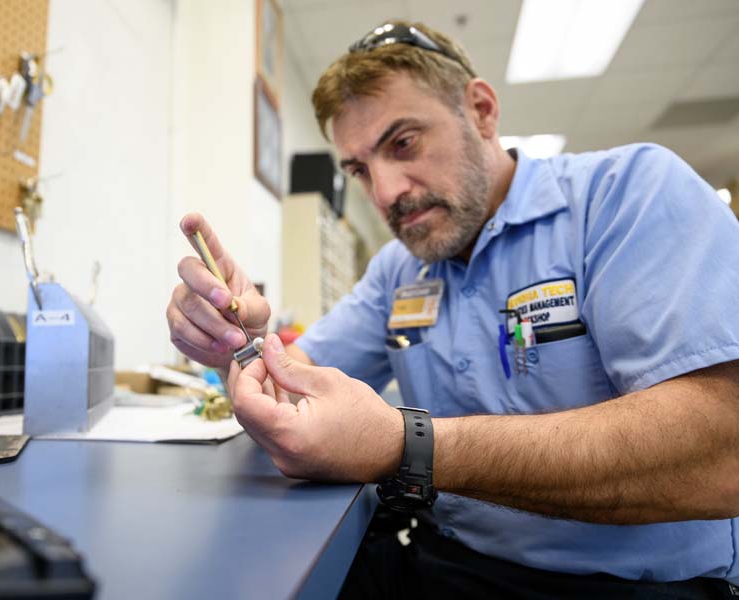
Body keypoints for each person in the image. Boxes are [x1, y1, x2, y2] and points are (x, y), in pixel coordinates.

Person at [166, 19, 739, 598]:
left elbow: (721, 450)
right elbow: (290, 399)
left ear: (482, 111)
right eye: (360, 170)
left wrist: (406, 444)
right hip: (449, 563)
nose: (386, 193)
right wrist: (238, 341)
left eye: (404, 144)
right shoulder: (398, 270)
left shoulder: (625, 196)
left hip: (631, 585)